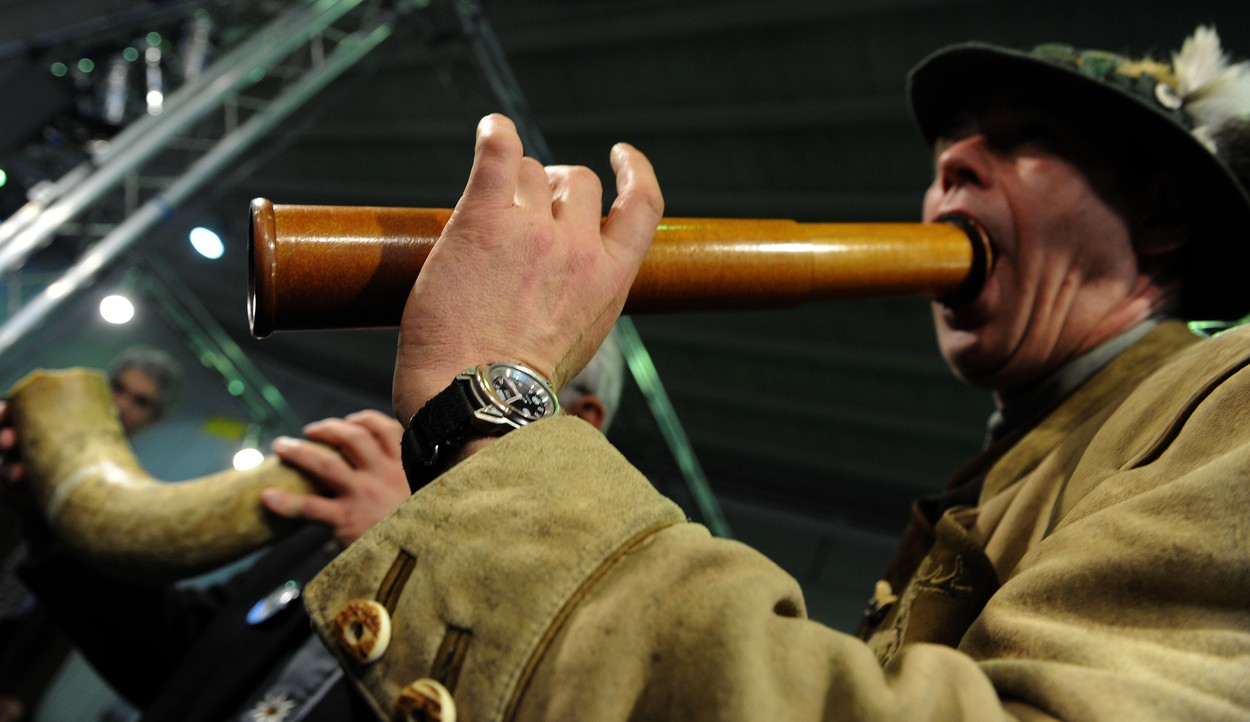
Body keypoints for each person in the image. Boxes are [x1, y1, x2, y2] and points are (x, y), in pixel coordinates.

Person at [298, 26, 1250, 721]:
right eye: (951, 150)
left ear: (1160, 219)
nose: (952, 164)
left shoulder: (1233, 392)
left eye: (1023, 138)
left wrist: (487, 411)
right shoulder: (1019, 464)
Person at [0, 341, 623, 722]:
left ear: (578, 422)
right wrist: (48, 510)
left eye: (487, 382)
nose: (430, 395)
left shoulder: (579, 615)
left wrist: (403, 563)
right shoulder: (336, 519)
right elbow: (176, 661)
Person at [0, 346, 181, 722]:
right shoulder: (34, 438)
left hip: (14, 641)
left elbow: (68, 624)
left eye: (140, 401)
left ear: (153, 419)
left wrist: (23, 692)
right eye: (118, 388)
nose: (122, 404)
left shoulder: (130, 499)